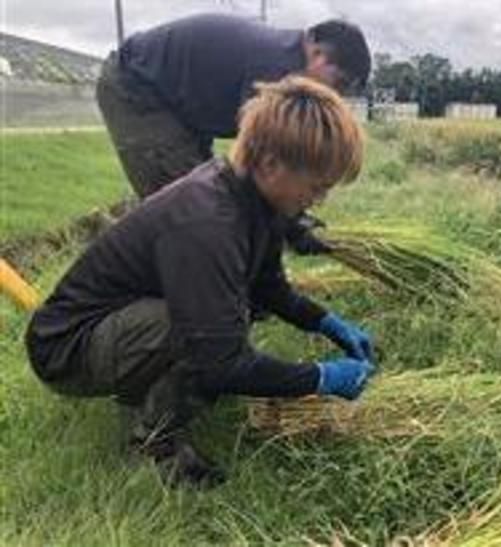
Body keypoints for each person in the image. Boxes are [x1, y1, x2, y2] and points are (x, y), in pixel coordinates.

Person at [25, 76, 376, 487]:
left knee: (230, 313)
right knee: (203, 332)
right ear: (270, 164)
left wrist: (327, 323)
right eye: (317, 187)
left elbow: (268, 287)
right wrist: (319, 378)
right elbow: (223, 363)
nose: (320, 200)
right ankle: (157, 448)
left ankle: (147, 392)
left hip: (116, 324)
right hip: (67, 348)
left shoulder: (256, 200)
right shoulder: (206, 221)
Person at [96, 13, 371, 254]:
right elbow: (259, 164)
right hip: (137, 89)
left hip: (182, 108)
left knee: (209, 195)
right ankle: (178, 288)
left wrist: (290, 221)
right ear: (318, 54)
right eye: (340, 83)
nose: (337, 96)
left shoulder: (288, 57)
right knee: (190, 207)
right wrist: (289, 226)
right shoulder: (276, 65)